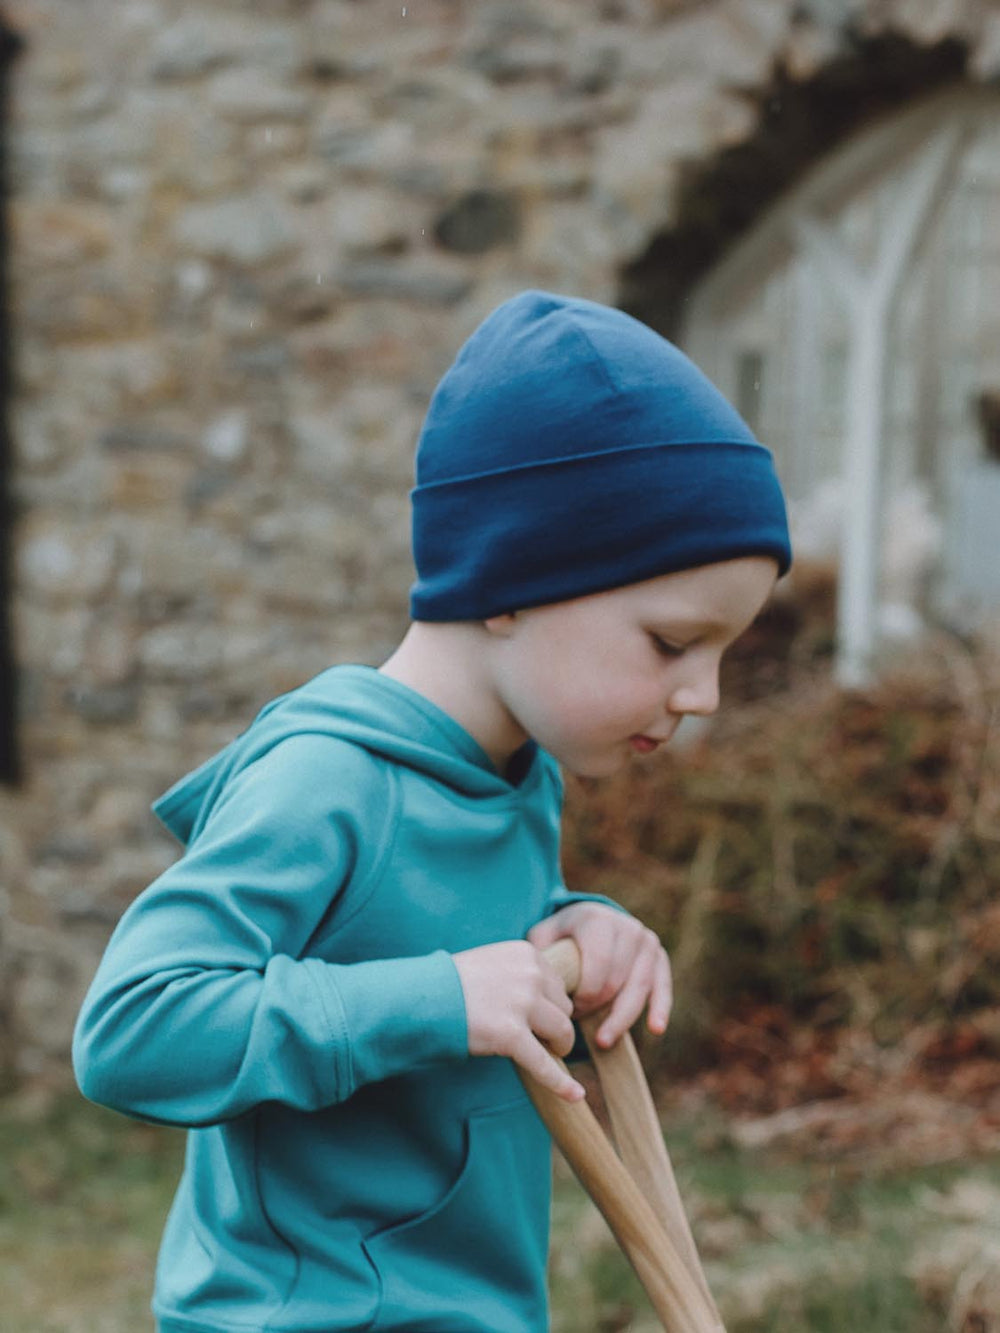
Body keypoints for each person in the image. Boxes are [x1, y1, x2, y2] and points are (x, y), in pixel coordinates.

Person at [73, 290, 791, 1333]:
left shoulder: (514, 770)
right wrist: (434, 1001)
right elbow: (132, 1029)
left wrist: (576, 925)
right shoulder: (329, 782)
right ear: (509, 582)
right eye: (671, 642)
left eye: (724, 653)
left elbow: (470, 951)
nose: (703, 695)